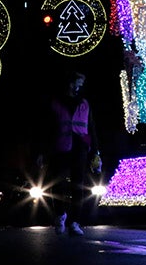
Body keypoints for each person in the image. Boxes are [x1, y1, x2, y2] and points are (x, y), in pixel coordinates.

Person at [36, 70, 100, 236]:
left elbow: (91, 128)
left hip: (80, 149)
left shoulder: (85, 103)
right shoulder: (55, 103)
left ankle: (75, 222)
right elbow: (46, 128)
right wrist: (42, 151)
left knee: (78, 186)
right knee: (58, 185)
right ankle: (60, 215)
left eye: (82, 83)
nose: (80, 86)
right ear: (70, 83)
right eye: (78, 82)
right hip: (60, 148)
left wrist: (95, 151)